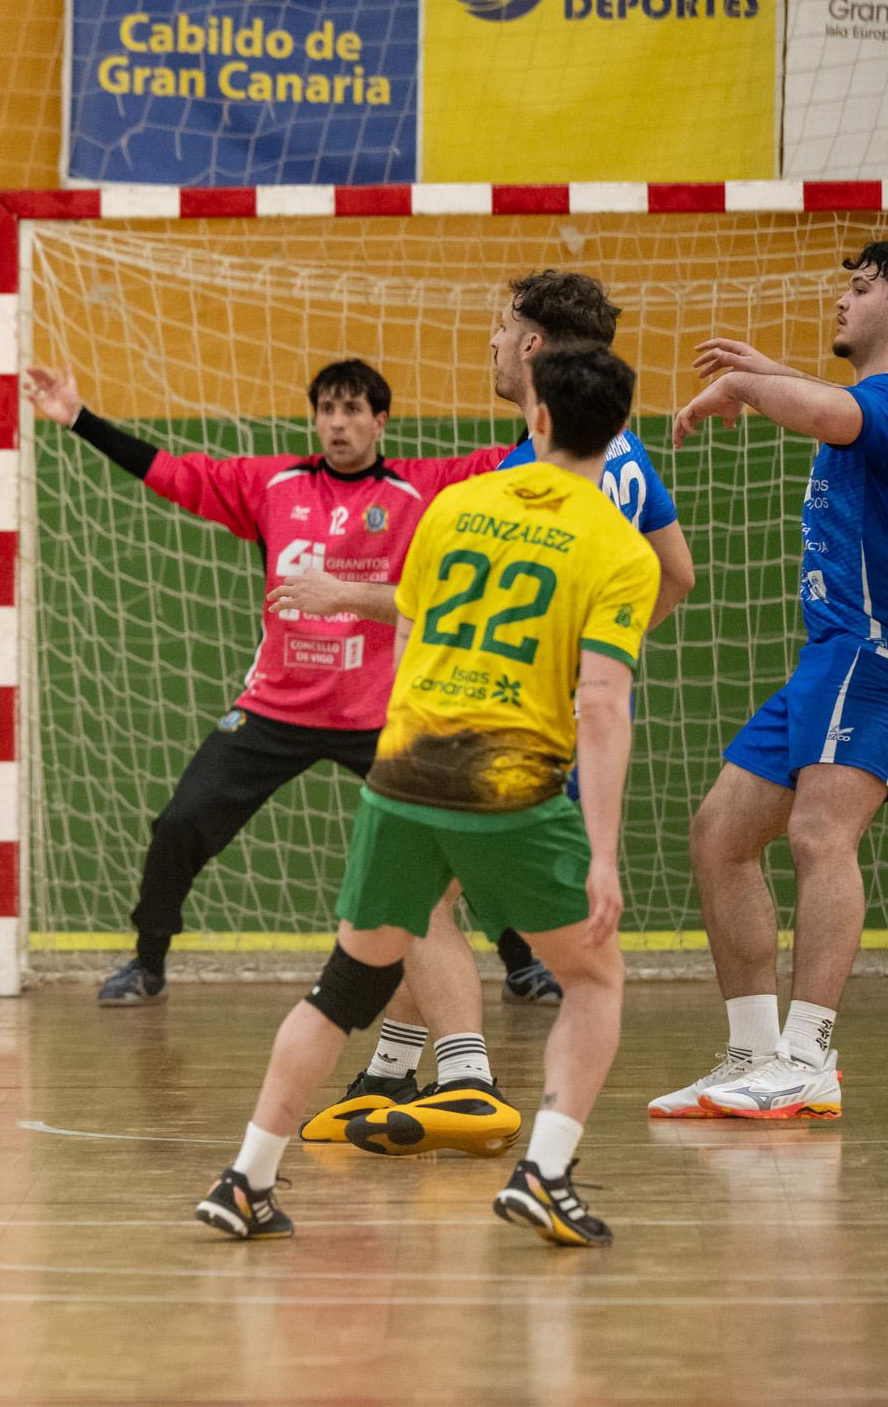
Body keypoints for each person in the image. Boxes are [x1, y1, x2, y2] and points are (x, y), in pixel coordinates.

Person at [194, 343, 658, 1248]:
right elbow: (601, 705)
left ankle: (245, 1178)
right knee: (594, 976)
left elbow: (405, 641)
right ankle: (545, 1172)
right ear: (618, 433)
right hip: (511, 782)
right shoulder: (618, 547)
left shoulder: (452, 507)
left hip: (401, 771)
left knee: (340, 989)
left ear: (539, 419)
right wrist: (602, 852)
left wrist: (403, 753)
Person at [17, 360, 513, 1023]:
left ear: (380, 420)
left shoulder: (422, 487)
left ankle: (525, 961)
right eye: (327, 410)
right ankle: (149, 960)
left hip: (381, 710)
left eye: (353, 410)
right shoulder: (272, 484)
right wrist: (79, 418)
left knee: (466, 831)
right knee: (181, 821)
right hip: (276, 706)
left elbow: (517, 461)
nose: (338, 423)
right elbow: (172, 473)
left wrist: (566, 399)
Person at [322, 270, 695, 1140]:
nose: (490, 342)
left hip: (501, 723)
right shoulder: (626, 450)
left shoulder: (529, 472)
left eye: (500, 328)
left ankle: (464, 1074)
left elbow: (434, 608)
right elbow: (675, 574)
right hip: (554, 719)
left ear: (532, 346)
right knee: (429, 898)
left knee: (420, 897)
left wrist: (340, 592)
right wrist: (591, 660)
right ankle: (390, 1067)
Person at [653, 240, 888, 1122]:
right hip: (830, 654)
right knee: (720, 833)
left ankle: (809, 1054)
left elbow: (830, 415)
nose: (844, 300)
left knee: (822, 834)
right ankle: (752, 1053)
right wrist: (763, 380)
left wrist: (750, 379)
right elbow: (828, 406)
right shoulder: (866, 398)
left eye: (861, 289)